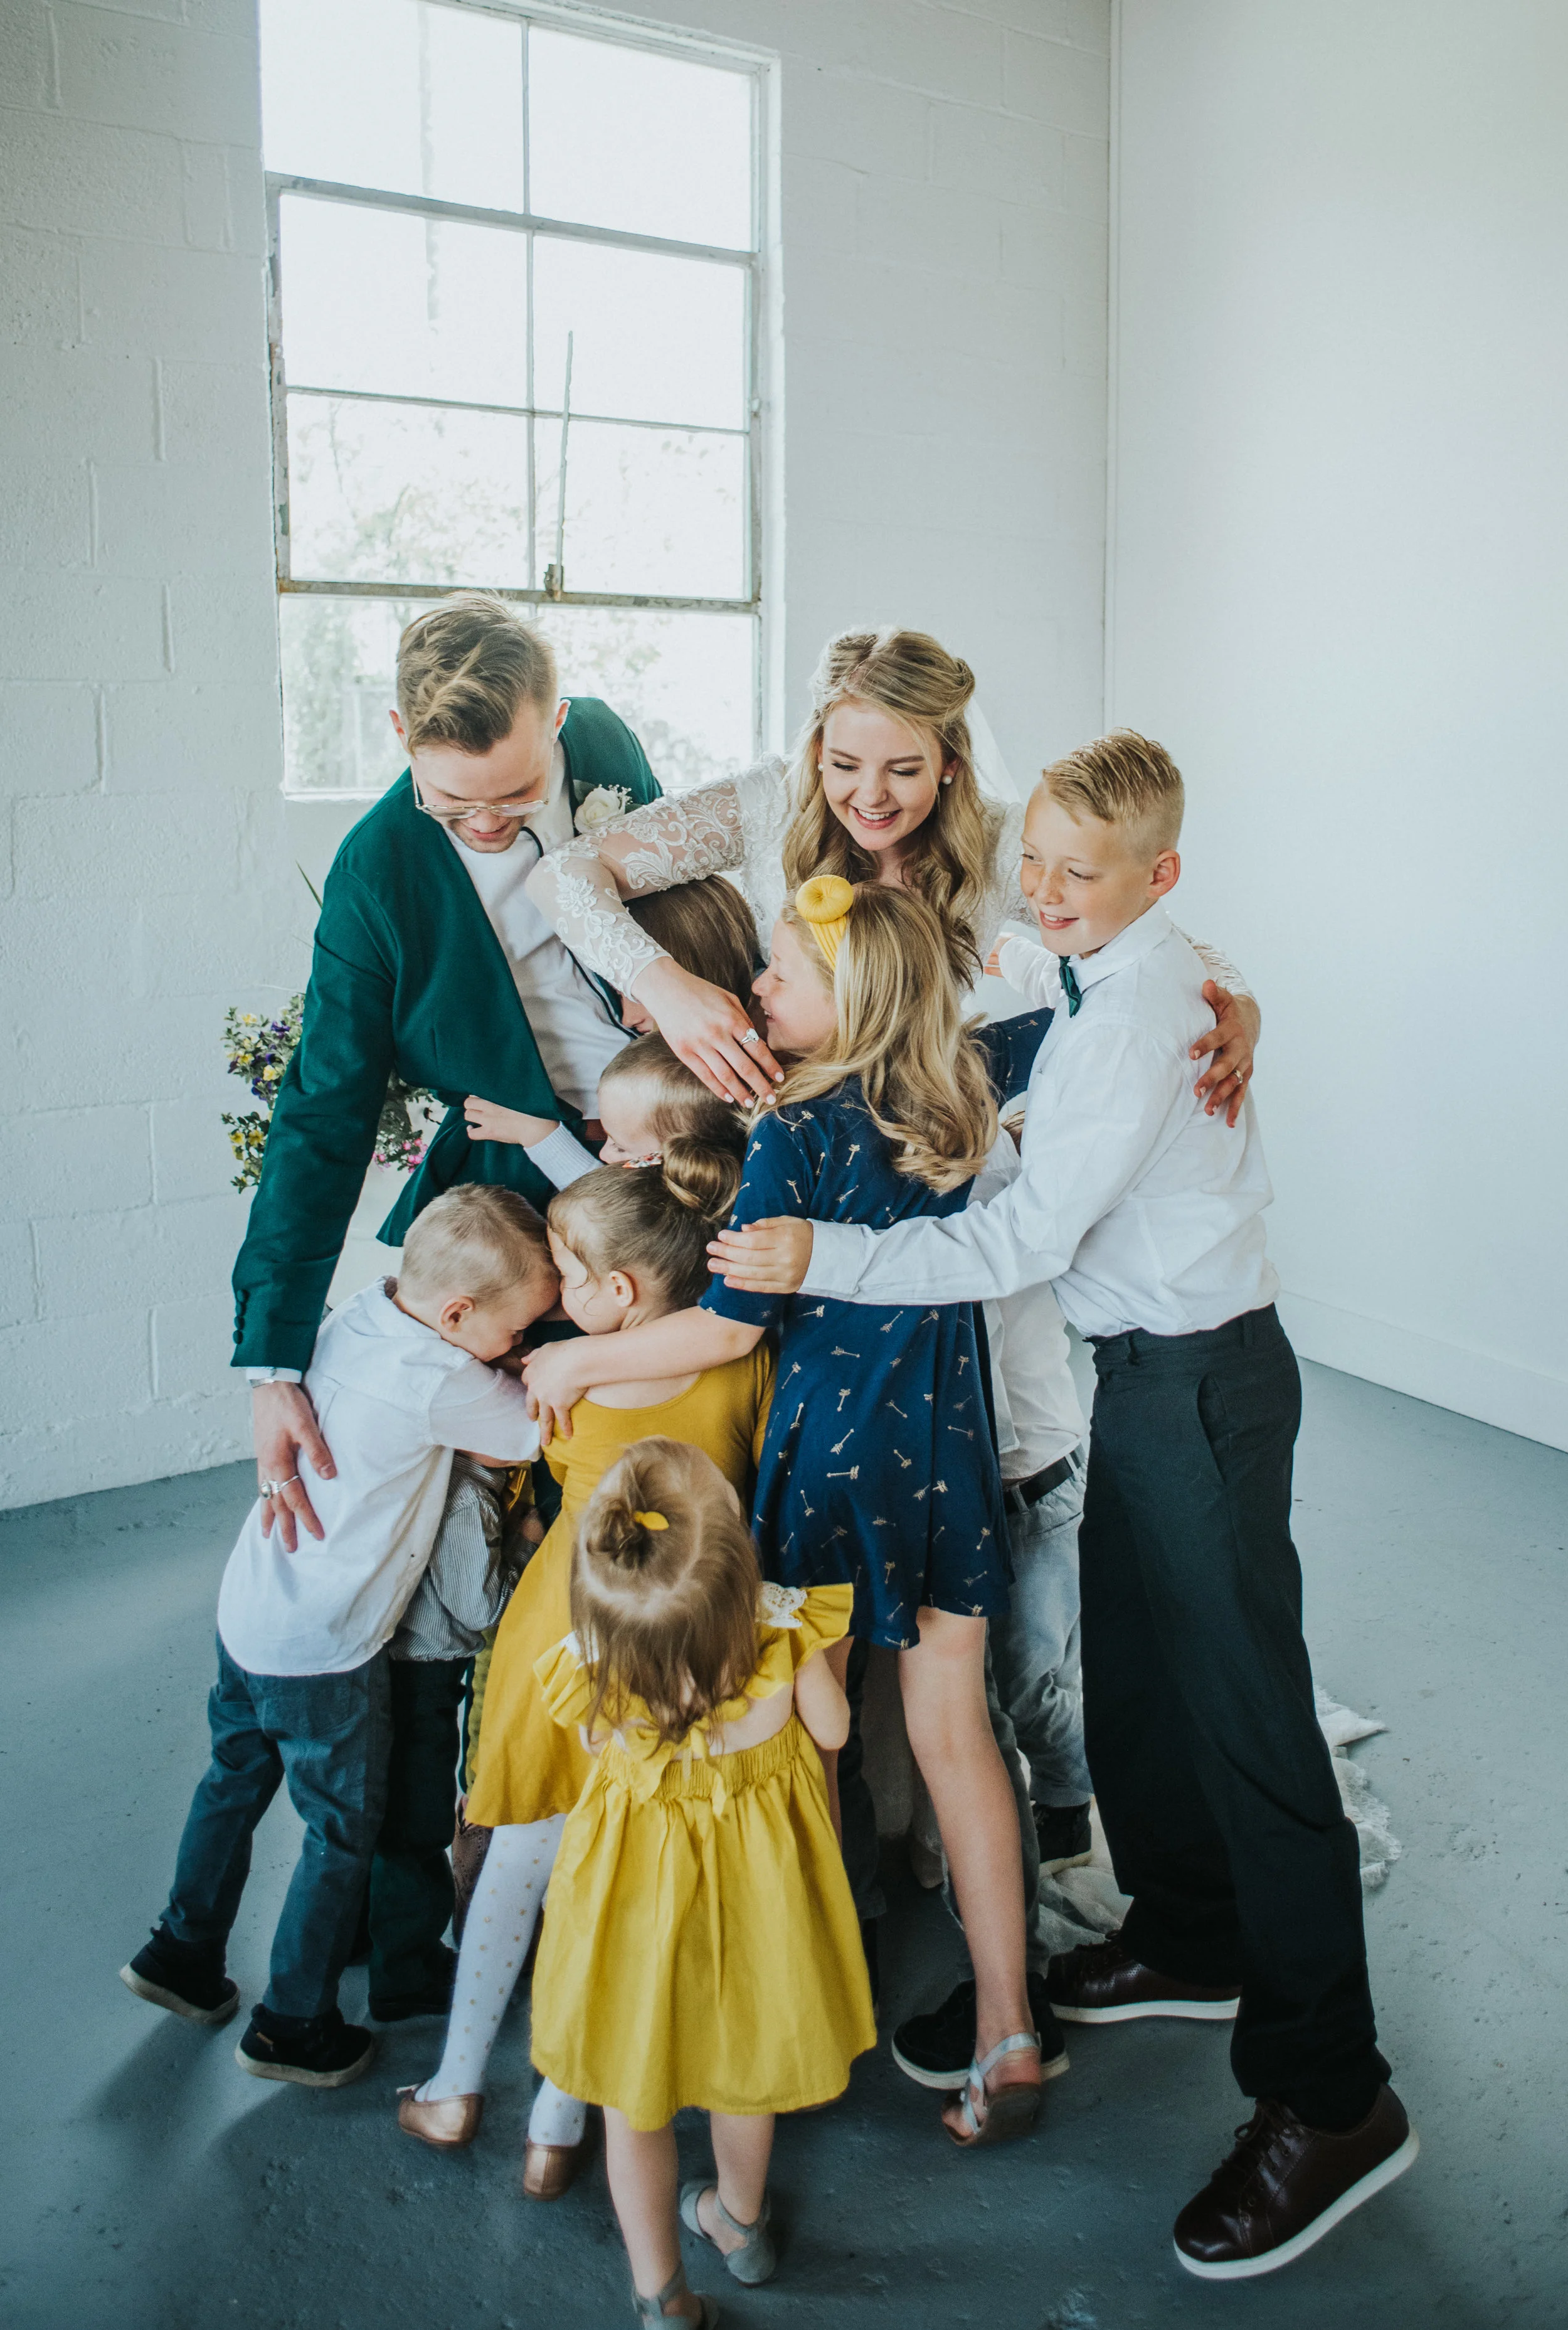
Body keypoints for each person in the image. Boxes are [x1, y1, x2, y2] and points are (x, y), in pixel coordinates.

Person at [707, 733, 1417, 2279]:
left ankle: (1332, 2089)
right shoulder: (1094, 961)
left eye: (1079, 874)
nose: (1043, 892)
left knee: (1254, 1722)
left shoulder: (1140, 1014)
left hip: (1204, 1382)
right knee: (1143, 1680)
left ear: (1159, 877)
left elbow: (1014, 1237)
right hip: (1138, 1374)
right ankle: (1189, 1925)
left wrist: (817, 1256)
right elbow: (1016, 1004)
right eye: (1032, 860)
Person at [524, 880, 1044, 2149]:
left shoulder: (790, 1132)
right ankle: (1008, 2024)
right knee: (952, 1740)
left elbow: (727, 1322)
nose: (755, 997)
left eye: (778, 980)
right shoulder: (960, 1085)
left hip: (827, 1463)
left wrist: (570, 1364)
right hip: (946, 1446)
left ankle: (782, 2008)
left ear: (848, 998)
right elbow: (1079, 1008)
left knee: (795, 1745)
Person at [236, 593, 661, 1559]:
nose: (482, 823)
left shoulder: (605, 745)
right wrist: (274, 1360)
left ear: (556, 723)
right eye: (450, 801)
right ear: (401, 735)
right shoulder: (377, 872)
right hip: (535, 1187)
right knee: (577, 1467)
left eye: (513, 799)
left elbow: (685, 884)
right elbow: (322, 1109)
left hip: (680, 1123)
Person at [120, 1185, 558, 2088]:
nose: (520, 1346)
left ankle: (181, 1950)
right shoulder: (442, 1377)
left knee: (233, 1779)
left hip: (252, 1609)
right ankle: (292, 2022)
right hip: (327, 1648)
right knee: (339, 1831)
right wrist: (561, 1368)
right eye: (517, 1328)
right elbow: (530, 1429)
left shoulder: (366, 1309)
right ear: (457, 1314)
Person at [396, 1152, 773, 2197]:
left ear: (622, 1292)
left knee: (519, 1855)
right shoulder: (743, 1362)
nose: (551, 1289)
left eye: (564, 1269)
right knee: (602, 1882)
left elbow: (549, 1474)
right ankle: (557, 2124)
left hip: (561, 1634)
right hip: (675, 1642)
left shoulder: (565, 1371)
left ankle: (457, 2081)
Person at [525, 624, 1258, 1117]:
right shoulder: (764, 805)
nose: (869, 796)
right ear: (817, 750)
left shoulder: (1002, 845)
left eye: (903, 770)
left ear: (949, 765)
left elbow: (1144, 940)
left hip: (926, 1121)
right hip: (776, 1111)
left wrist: (1237, 1002)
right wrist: (669, 991)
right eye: (845, 765)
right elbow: (561, 875)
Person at [529, 1438, 876, 2329]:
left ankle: (662, 2295)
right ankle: (741, 2224)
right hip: (758, 1898)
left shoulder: (594, 1662)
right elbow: (834, 1733)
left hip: (633, 1905)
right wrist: (817, 1660)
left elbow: (598, 1753)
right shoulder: (784, 1635)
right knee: (742, 2072)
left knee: (630, 2102)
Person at [364, 1453, 527, 2023]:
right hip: (425, 1667)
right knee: (419, 1823)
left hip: (396, 1660)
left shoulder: (440, 1472)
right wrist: (528, 1545)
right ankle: (405, 1972)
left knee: (386, 1811)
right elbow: (479, 1604)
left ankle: (368, 1940)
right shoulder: (467, 1495)